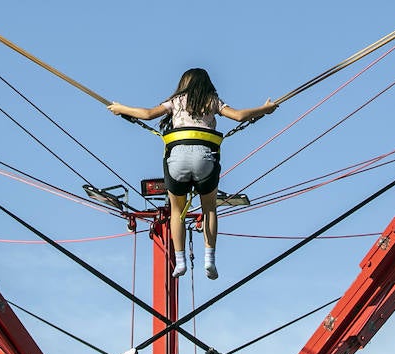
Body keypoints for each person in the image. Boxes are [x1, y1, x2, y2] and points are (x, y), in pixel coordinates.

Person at [108, 67, 277, 279]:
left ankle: (180, 262)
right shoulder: (212, 101)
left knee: (177, 212)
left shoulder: (176, 101)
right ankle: (210, 260)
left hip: (177, 160)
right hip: (204, 159)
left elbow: (148, 114)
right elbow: (240, 116)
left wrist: (120, 108)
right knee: (210, 209)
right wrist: (264, 109)